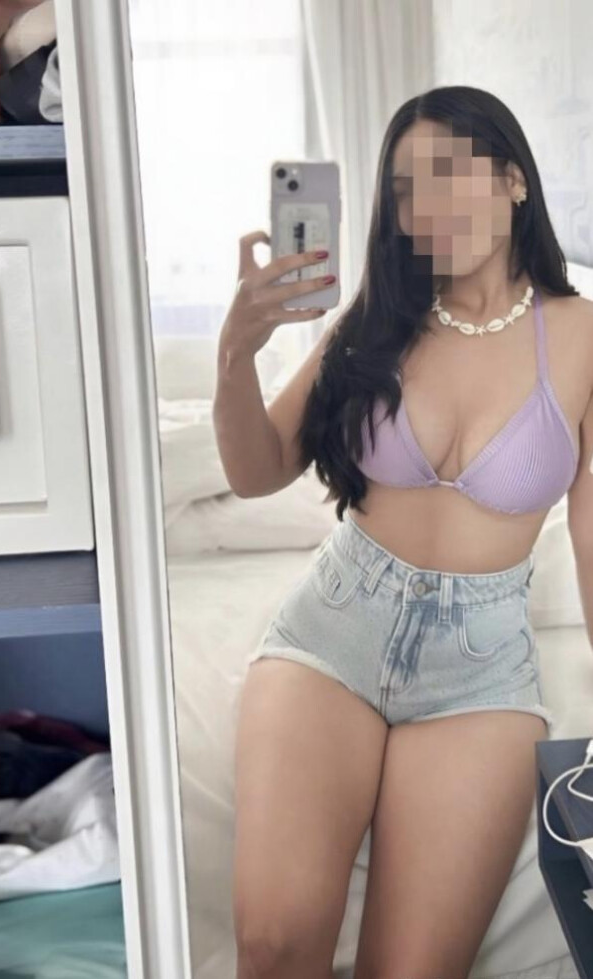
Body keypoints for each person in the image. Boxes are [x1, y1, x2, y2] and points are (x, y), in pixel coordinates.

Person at [214, 85, 593, 979]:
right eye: (406, 188)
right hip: (334, 631)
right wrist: (235, 354)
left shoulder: (583, 337)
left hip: (481, 672)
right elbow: (256, 469)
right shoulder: (377, 321)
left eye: (449, 172)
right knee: (272, 944)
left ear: (513, 179)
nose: (427, 205)